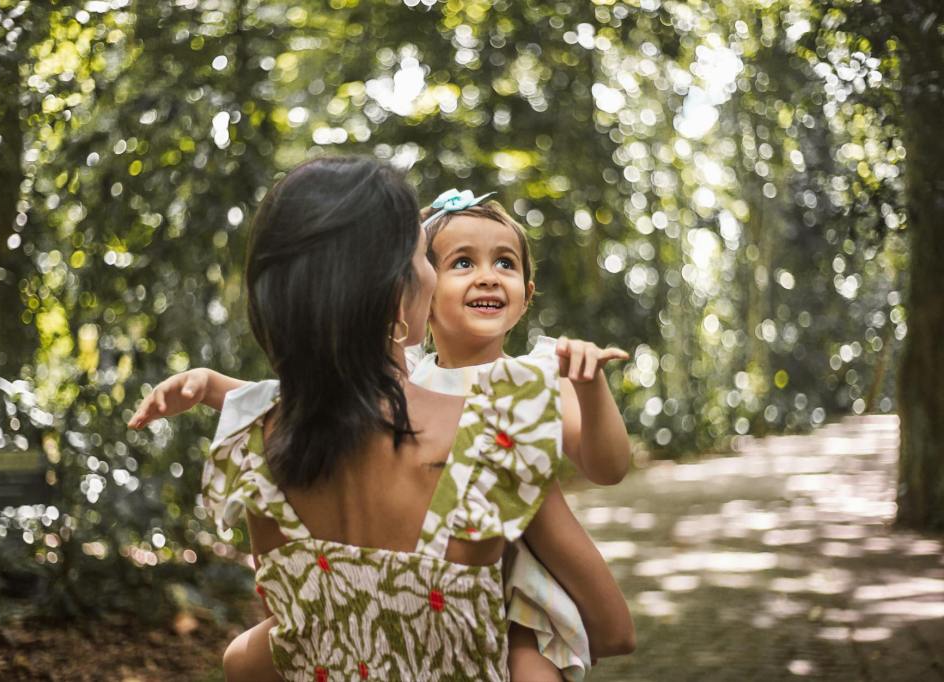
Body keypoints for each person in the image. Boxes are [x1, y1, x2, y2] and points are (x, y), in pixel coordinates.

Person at [132, 185, 636, 680]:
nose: (487, 277)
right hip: (473, 589)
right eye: (459, 263)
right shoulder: (418, 383)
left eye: (505, 263)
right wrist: (214, 387)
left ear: (527, 297)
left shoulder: (534, 380)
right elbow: (614, 630)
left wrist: (590, 390)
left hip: (521, 588)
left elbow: (608, 467)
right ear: (416, 292)